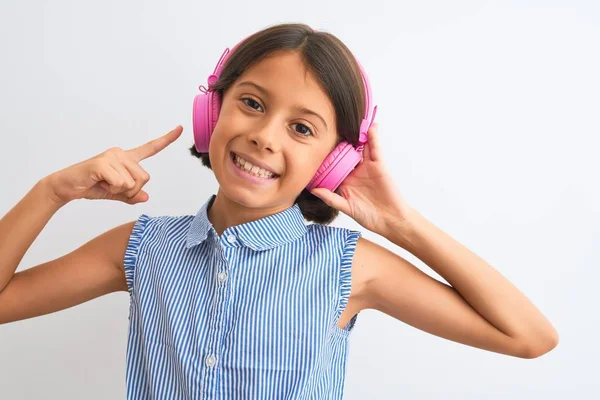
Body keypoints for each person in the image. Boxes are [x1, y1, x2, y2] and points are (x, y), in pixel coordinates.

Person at [0, 23, 557, 399]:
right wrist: (52, 191)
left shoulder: (351, 266)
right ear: (211, 112)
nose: (265, 137)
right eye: (251, 103)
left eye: (302, 128)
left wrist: (401, 226)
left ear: (334, 160)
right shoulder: (142, 249)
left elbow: (529, 337)